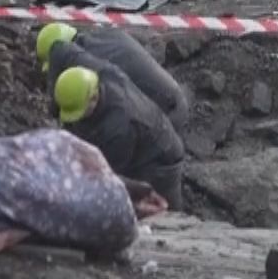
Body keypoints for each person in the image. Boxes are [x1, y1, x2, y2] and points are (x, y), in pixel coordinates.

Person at [54, 65, 187, 211]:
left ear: (94, 98)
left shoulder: (119, 127)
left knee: (157, 209)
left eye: (80, 112)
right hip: (140, 137)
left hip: (160, 160)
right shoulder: (101, 78)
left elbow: (109, 178)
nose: (76, 120)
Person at [37, 23, 191, 133]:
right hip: (175, 98)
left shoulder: (93, 65)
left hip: (167, 117)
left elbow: (106, 110)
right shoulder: (108, 34)